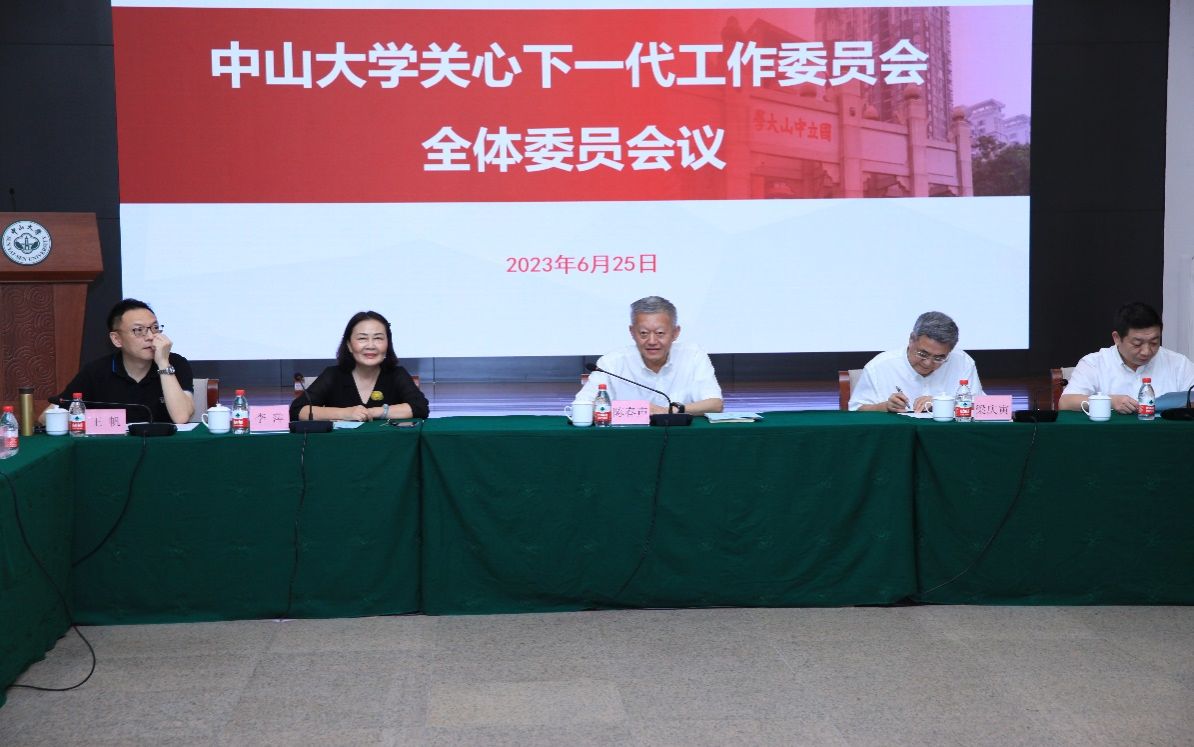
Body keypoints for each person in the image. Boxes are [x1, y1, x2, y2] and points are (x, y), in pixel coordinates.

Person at [42, 298, 195, 424]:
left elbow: (181, 417)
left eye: (154, 328)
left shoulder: (175, 363)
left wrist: (163, 363)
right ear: (116, 339)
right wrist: (96, 422)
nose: (150, 336)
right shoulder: (96, 372)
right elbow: (46, 417)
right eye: (138, 330)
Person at [577, 296, 723, 415]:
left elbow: (715, 404)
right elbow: (582, 404)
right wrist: (636, 412)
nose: (652, 341)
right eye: (644, 333)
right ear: (632, 332)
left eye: (660, 333)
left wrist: (668, 411)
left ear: (675, 333)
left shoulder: (693, 356)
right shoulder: (611, 363)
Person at [291, 310, 429, 421]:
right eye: (362, 338)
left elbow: (420, 408)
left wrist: (374, 412)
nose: (371, 345)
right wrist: (345, 413)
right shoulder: (333, 375)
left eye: (378, 338)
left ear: (388, 344)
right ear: (349, 345)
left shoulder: (396, 374)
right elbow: (298, 410)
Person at [1059, 302, 1194, 414]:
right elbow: (1065, 402)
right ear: (1117, 338)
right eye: (1137, 344)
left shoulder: (1179, 363)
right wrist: (1110, 401)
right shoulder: (1094, 363)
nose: (1146, 351)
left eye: (1154, 342)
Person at [849, 311, 984, 412]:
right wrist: (885, 407)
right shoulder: (879, 366)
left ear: (950, 351)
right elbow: (856, 410)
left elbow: (982, 407)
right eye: (923, 354)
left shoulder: (963, 362)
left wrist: (943, 404)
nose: (928, 363)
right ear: (911, 339)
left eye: (939, 358)